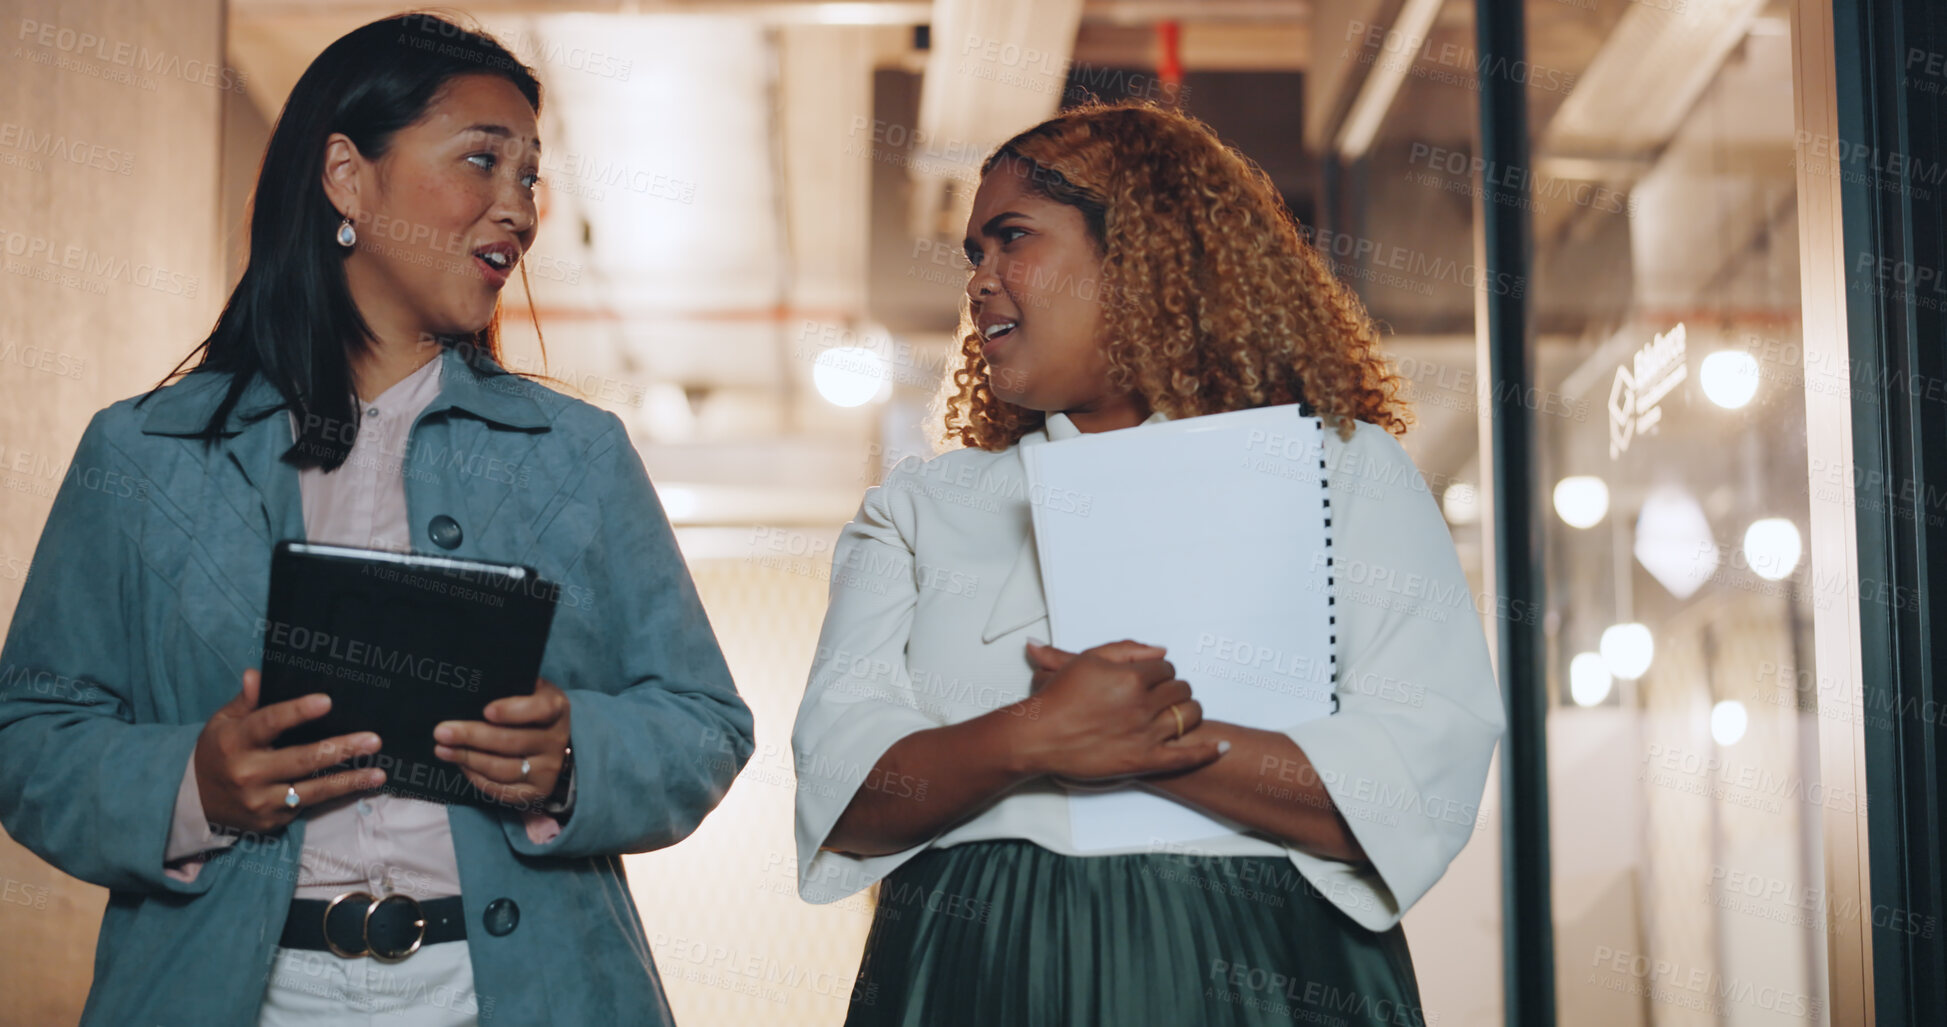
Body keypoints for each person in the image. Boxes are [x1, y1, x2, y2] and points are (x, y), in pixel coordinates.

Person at [0, 14, 752, 1026]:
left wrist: (574, 755)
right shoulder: (140, 453)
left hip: (514, 994)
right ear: (348, 179)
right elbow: (31, 735)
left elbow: (704, 722)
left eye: (529, 175)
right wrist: (192, 782)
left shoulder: (577, 452)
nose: (518, 209)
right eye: (482, 160)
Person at [791, 102, 1506, 1025]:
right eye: (974, 252)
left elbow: (1415, 774)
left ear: (1143, 251)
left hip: (1266, 967)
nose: (980, 280)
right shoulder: (919, 506)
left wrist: (1139, 744)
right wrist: (1033, 735)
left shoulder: (1340, 469)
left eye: (1012, 239)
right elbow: (843, 790)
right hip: (979, 967)